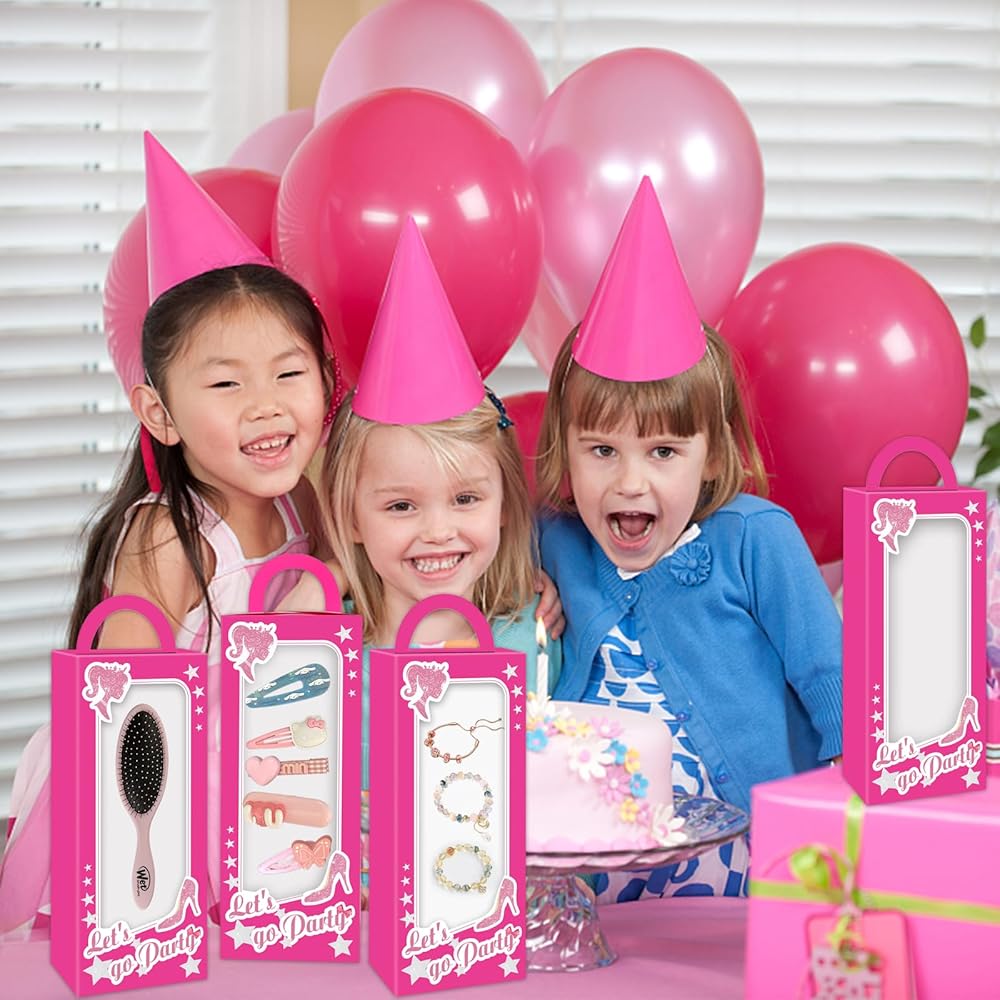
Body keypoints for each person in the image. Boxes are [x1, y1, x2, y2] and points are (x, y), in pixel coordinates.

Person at [0, 134, 335, 936]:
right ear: (160, 412)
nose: (266, 404)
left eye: (289, 373)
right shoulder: (169, 536)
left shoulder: (306, 504)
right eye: (225, 383)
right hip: (158, 797)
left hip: (273, 789)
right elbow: (125, 709)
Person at [535, 178, 843, 901]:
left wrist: (840, 833)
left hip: (747, 875)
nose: (630, 482)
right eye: (601, 450)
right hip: (596, 888)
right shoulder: (550, 541)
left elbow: (832, 684)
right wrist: (523, 593)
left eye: (664, 452)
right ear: (565, 448)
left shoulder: (756, 541)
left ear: (711, 453)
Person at [308, 218, 561, 895]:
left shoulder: (534, 639)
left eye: (466, 499)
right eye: (400, 507)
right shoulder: (327, 661)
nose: (438, 532)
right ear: (350, 517)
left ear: (503, 503)